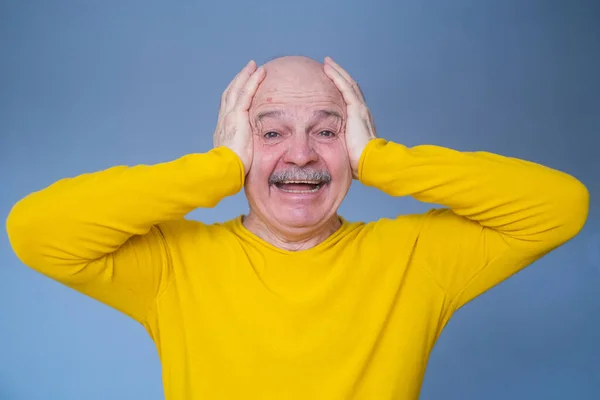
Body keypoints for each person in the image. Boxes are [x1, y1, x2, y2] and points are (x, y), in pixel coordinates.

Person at [6, 55, 589, 399]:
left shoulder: (417, 257)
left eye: (328, 131)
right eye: (271, 132)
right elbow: (36, 229)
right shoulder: (170, 265)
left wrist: (384, 160)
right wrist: (217, 170)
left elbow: (560, 205)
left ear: (352, 144)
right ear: (239, 143)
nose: (302, 155)